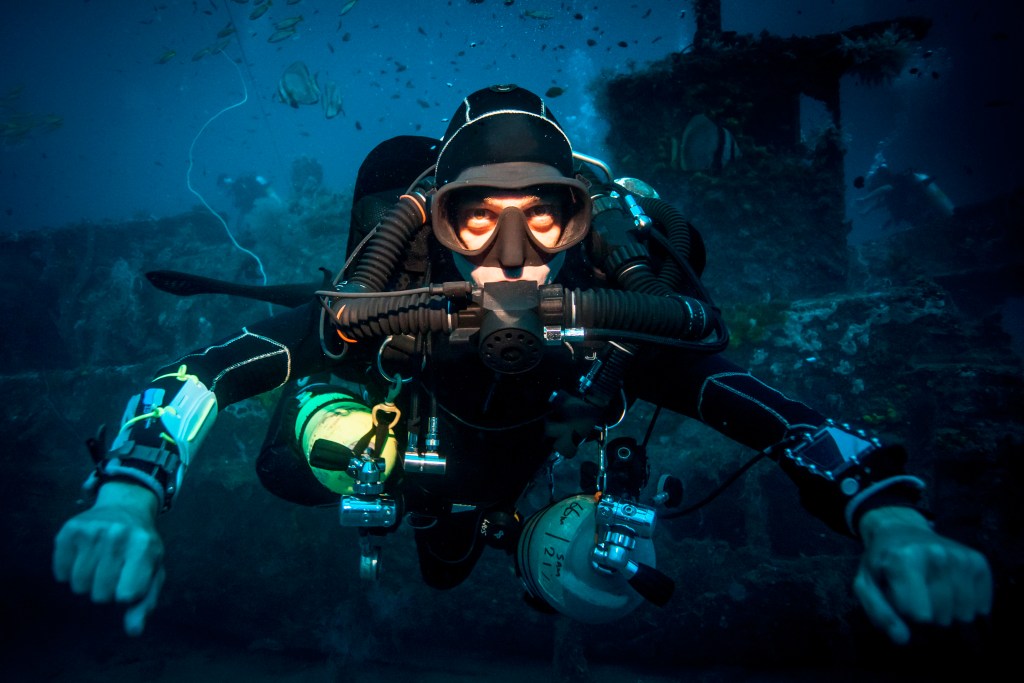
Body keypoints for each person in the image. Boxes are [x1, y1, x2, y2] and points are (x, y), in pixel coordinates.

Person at [54, 85, 991, 643]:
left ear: (580, 217)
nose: (513, 251)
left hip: (522, 472)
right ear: (435, 221)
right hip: (409, 455)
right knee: (362, 508)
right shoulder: (389, 304)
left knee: (480, 561)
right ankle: (402, 482)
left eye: (543, 215)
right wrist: (128, 493)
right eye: (477, 218)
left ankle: (477, 527)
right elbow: (207, 372)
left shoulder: (614, 316)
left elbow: (772, 411)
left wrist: (890, 515)